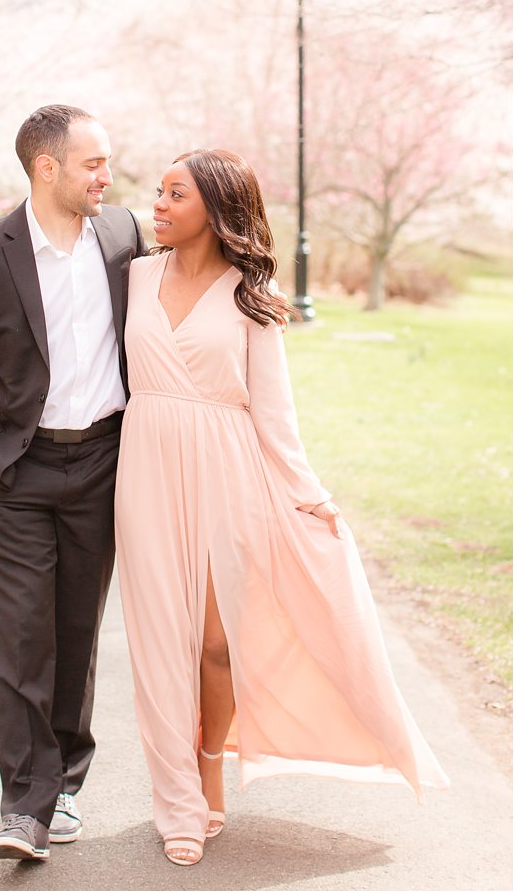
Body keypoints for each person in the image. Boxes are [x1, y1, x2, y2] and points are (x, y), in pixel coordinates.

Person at [115, 148, 448, 866]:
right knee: (157, 640)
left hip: (228, 469)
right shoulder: (135, 277)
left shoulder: (251, 297)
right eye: (159, 192)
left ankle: (208, 766)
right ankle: (176, 801)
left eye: (176, 194)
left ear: (216, 207)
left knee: (214, 640)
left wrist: (309, 495)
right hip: (145, 467)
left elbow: (275, 414)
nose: (160, 204)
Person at [0, 104, 145, 861]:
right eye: (93, 163)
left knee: (76, 631)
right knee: (23, 636)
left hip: (104, 463)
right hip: (16, 472)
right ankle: (24, 806)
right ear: (46, 167)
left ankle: (66, 783)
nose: (107, 177)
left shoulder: (123, 236)